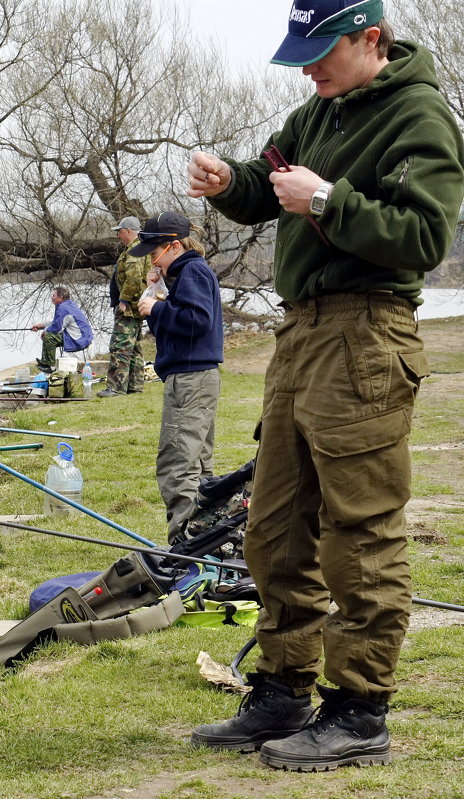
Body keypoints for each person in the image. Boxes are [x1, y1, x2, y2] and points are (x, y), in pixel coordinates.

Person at [186, 0, 464, 772]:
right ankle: (282, 688)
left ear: (370, 39)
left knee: (361, 531)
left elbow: (425, 236)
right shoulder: (316, 111)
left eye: (320, 52)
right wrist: (226, 183)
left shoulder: (421, 115)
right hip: (300, 333)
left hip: (368, 331)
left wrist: (329, 201)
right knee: (273, 526)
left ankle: (359, 710)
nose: (306, 67)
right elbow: (264, 184)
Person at [133, 212, 223, 545]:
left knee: (177, 464)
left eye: (154, 253)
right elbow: (172, 329)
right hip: (188, 377)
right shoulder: (181, 277)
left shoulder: (193, 271)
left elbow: (197, 321)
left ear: (173, 246)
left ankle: (183, 547)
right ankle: (206, 538)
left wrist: (157, 309)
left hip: (190, 380)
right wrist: (156, 294)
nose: (151, 260)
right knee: (198, 465)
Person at [98, 217, 151, 397]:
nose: (118, 235)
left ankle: (116, 388)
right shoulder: (138, 248)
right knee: (134, 347)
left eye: (119, 231)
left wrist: (124, 300)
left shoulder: (135, 250)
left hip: (129, 308)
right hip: (137, 306)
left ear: (129, 231)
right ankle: (135, 386)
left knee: (119, 346)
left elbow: (134, 277)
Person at [29, 286, 93, 376]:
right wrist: (41, 326)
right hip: (83, 336)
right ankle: (45, 362)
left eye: (54, 295)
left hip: (79, 338)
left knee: (49, 336)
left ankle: (49, 366)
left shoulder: (63, 308)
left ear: (60, 297)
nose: (51, 297)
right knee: (48, 334)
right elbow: (57, 323)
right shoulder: (68, 304)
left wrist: (45, 331)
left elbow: (57, 328)